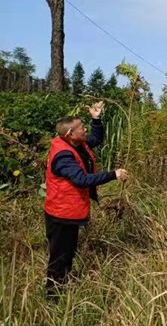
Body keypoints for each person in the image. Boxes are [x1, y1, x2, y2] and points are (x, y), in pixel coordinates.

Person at [44, 102, 128, 300]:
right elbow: (81, 180)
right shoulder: (63, 156)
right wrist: (113, 174)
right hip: (60, 214)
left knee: (68, 252)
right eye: (82, 127)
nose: (85, 129)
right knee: (59, 257)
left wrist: (96, 118)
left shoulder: (77, 144)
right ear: (70, 134)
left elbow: (97, 139)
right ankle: (52, 298)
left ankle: (63, 286)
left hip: (70, 211)